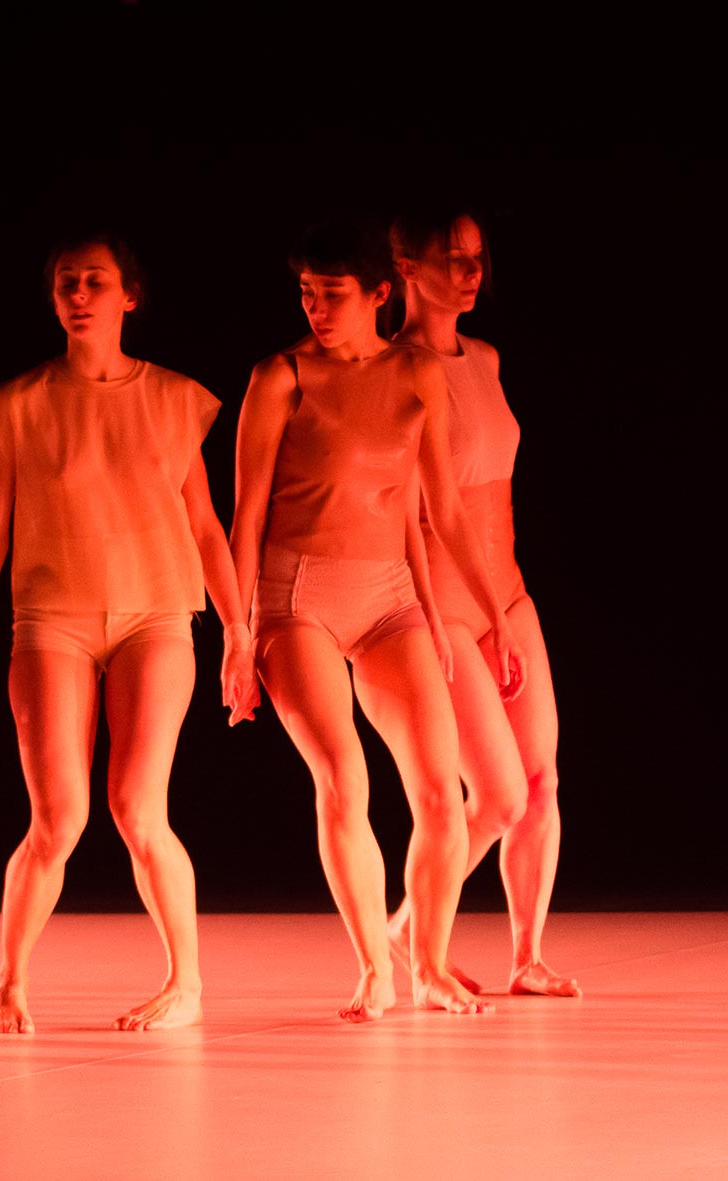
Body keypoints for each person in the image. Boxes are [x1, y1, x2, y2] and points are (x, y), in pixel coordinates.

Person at [0, 233, 255, 1034]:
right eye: (67, 283)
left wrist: (238, 630)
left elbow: (205, 524)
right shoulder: (17, 404)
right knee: (58, 817)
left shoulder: (174, 398)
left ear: (130, 296)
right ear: (53, 298)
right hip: (51, 617)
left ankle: (186, 982)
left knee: (138, 807)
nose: (80, 294)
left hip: (156, 613)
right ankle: (11, 983)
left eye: (96, 281)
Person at [230, 221, 523, 1019]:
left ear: (378, 294)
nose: (317, 310)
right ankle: (372, 967)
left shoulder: (416, 373)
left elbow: (441, 512)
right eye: (307, 295)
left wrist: (489, 615)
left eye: (333, 295)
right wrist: (238, 632)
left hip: (390, 598)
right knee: (344, 776)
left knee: (440, 791)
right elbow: (246, 515)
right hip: (298, 598)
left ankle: (428, 963)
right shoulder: (282, 376)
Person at [387, 209, 578, 998]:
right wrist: (443, 620)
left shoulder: (487, 359)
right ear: (405, 266)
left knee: (540, 782)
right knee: (496, 795)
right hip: (444, 601)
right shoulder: (396, 370)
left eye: (474, 257)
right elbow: (412, 508)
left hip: (508, 592)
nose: (469, 272)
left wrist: (504, 608)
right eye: (450, 258)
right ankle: (407, 929)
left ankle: (526, 955)